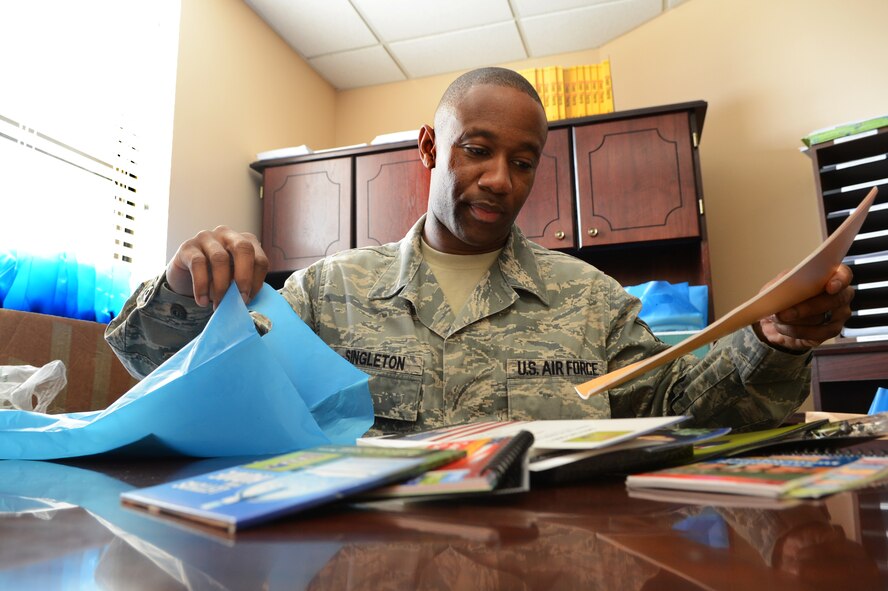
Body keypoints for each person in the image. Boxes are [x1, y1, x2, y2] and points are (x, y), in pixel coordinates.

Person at [106, 67, 854, 435]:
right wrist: (183, 290)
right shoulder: (325, 292)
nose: (500, 179)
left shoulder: (592, 300)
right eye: (477, 150)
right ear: (430, 147)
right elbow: (183, 386)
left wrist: (773, 341)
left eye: (523, 161)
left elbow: (679, 409)